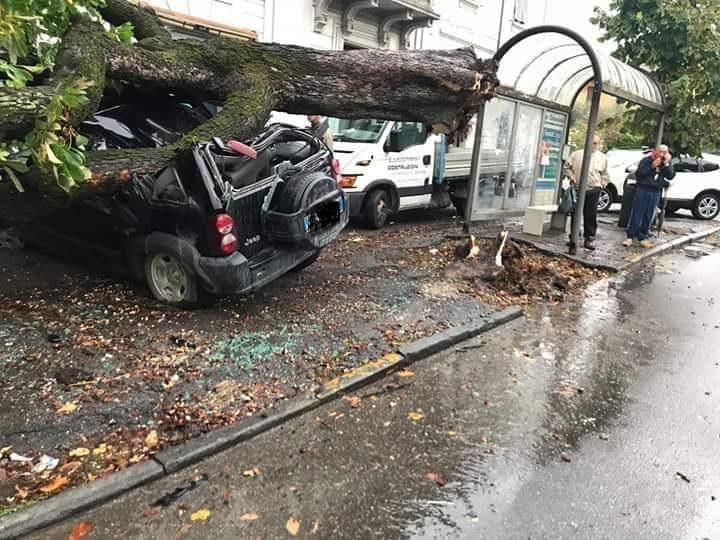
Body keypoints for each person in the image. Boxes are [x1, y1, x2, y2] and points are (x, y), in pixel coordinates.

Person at [562, 135, 610, 251]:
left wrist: (603, 184)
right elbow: (566, 167)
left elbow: (605, 174)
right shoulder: (576, 154)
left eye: (595, 143)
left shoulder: (602, 158)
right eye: (591, 142)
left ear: (599, 145)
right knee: (575, 213)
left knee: (590, 214)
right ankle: (573, 237)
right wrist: (571, 175)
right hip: (578, 188)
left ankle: (589, 239)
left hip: (593, 189)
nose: (593, 145)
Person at [623, 144, 675, 248]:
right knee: (637, 213)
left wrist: (665, 165)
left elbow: (671, 175)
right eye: (660, 152)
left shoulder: (665, 163)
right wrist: (652, 167)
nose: (662, 154)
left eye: (665, 152)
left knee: (649, 215)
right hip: (643, 189)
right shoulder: (646, 161)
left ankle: (642, 236)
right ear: (655, 151)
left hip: (655, 191)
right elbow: (640, 174)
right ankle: (630, 236)